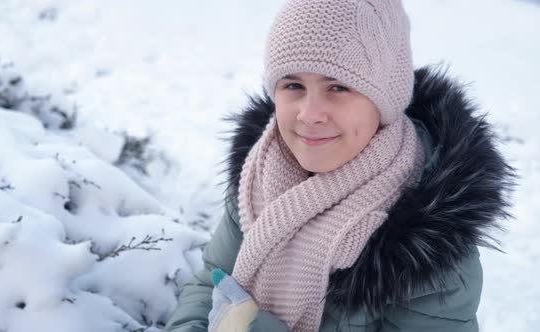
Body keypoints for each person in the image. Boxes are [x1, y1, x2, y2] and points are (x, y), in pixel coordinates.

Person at [163, 0, 516, 331]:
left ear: (386, 101)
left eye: (338, 86)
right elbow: (212, 278)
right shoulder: (260, 174)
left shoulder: (429, 245)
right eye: (293, 85)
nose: (310, 114)